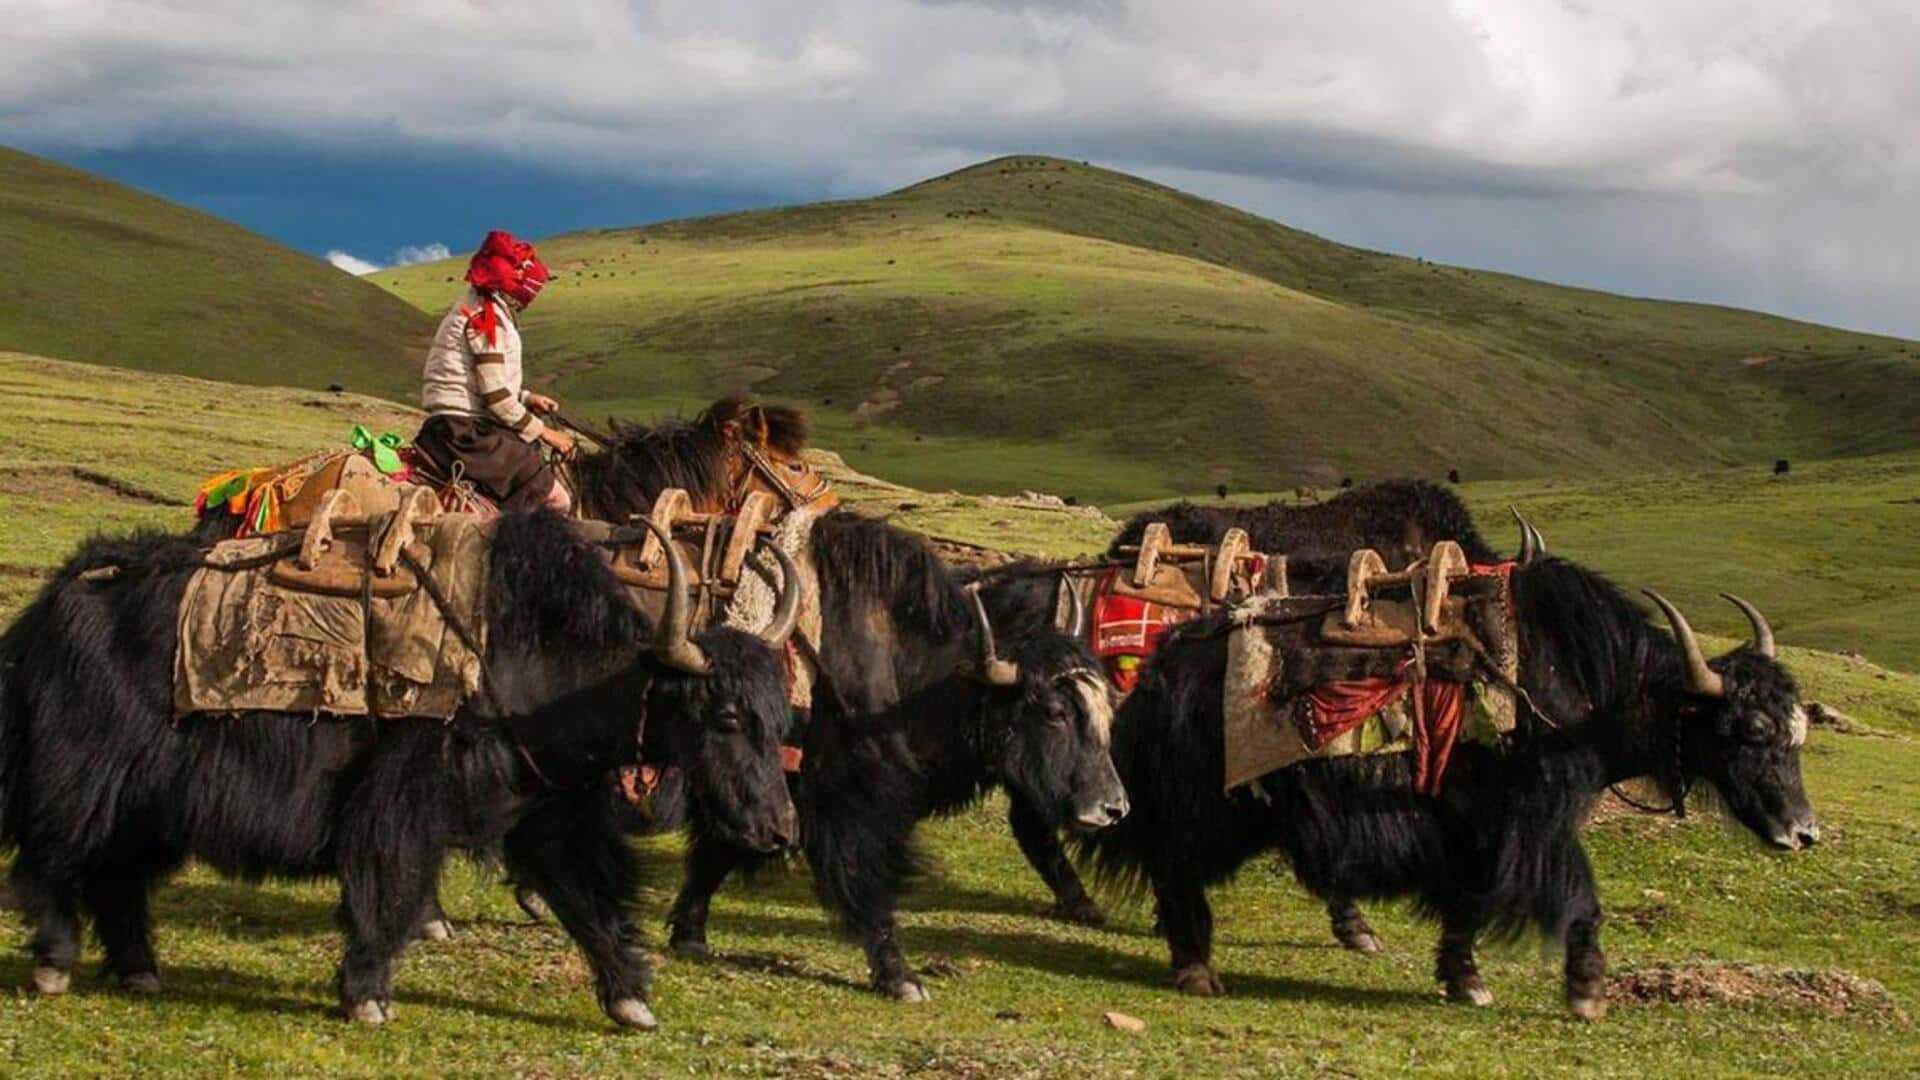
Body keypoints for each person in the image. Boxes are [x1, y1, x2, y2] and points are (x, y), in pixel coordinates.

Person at [414, 229, 575, 513]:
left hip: (453, 426)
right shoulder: (486, 320)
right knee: (556, 499)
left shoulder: (477, 308)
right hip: (466, 432)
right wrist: (547, 433)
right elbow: (496, 399)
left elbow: (479, 379)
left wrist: (526, 398)